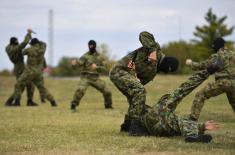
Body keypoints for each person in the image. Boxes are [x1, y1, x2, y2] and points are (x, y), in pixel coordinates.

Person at [129, 62, 223, 143]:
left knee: (177, 119)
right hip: (156, 120)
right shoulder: (163, 108)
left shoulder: (140, 111)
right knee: (182, 91)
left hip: (153, 127)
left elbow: (135, 104)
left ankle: (192, 136)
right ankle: (192, 135)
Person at [109, 31, 179, 133]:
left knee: (135, 99)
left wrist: (137, 81)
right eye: (168, 70)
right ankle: (135, 126)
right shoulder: (156, 48)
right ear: (168, 63)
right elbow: (143, 34)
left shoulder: (153, 72)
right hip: (120, 71)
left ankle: (127, 125)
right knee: (140, 91)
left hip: (127, 76)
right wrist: (152, 50)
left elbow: (140, 81)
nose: (166, 72)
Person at [186, 38, 235, 121]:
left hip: (223, 83)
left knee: (200, 95)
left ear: (216, 46)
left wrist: (191, 63)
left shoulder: (217, 55)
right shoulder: (233, 54)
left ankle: (192, 119)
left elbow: (203, 65)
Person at [11, 38, 57, 107]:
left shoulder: (29, 49)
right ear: (38, 43)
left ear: (32, 44)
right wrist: (38, 41)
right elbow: (44, 43)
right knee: (42, 88)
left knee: (18, 83)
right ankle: (53, 101)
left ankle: (17, 102)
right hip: (39, 72)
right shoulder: (42, 49)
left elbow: (21, 53)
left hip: (30, 71)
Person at [70, 40, 113, 111]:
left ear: (95, 46)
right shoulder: (85, 56)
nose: (91, 47)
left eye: (92, 45)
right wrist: (74, 64)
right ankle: (74, 104)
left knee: (107, 91)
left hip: (95, 78)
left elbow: (105, 68)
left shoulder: (100, 57)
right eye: (90, 46)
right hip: (85, 78)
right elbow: (77, 65)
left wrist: (97, 67)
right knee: (80, 90)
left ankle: (108, 105)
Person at [5, 29, 37, 106]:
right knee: (21, 86)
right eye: (17, 41)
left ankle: (29, 101)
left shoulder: (8, 47)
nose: (18, 42)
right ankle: (15, 101)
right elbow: (24, 43)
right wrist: (28, 34)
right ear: (15, 43)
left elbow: (19, 46)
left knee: (30, 84)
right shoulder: (15, 48)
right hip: (20, 68)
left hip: (20, 67)